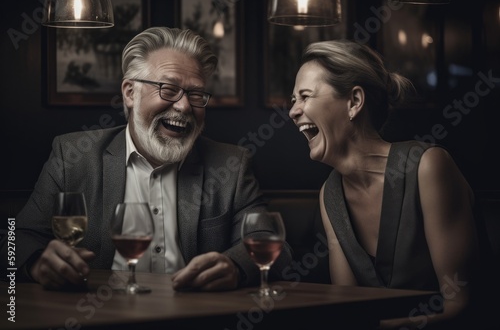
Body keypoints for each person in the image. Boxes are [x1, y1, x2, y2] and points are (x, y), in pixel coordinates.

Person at [0, 27, 291, 291]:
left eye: (196, 94)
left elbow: (273, 244)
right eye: (169, 89)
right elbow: (14, 239)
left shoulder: (231, 164)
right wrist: (37, 262)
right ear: (130, 92)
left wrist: (237, 266)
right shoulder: (72, 156)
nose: (184, 106)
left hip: (196, 317)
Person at [288, 40, 483, 329]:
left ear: (354, 102)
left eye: (304, 96)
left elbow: (460, 305)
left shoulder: (428, 167)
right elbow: (349, 306)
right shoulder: (329, 195)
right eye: (293, 100)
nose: (293, 111)